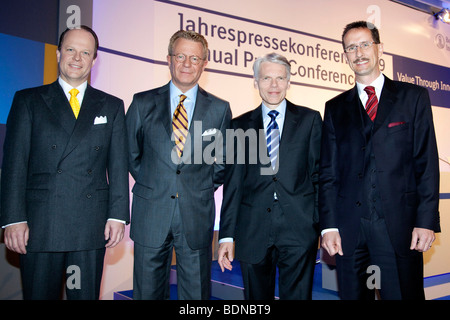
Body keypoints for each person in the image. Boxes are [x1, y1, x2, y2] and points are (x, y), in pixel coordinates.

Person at [0, 26, 130, 300]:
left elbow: (118, 166)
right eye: (70, 49)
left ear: (94, 60)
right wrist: (13, 219)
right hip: (39, 225)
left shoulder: (111, 105)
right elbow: (14, 164)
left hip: (89, 226)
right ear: (58, 53)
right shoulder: (28, 100)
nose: (77, 58)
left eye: (86, 52)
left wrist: (117, 215)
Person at [319, 21, 440, 300]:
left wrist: (426, 220)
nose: (359, 52)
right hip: (350, 231)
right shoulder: (334, 108)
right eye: (351, 47)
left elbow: (426, 163)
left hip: (399, 227)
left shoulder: (413, 97)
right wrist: (329, 226)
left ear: (379, 48)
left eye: (364, 44)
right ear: (345, 56)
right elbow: (328, 172)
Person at [126, 30, 232, 300]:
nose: (187, 64)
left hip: (195, 215)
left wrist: (196, 187)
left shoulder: (220, 109)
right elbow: (131, 155)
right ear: (169, 60)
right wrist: (157, 182)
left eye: (195, 58)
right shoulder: (142, 102)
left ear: (204, 64)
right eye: (181, 56)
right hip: (151, 213)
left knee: (196, 297)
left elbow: (222, 163)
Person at [218, 53, 322, 300]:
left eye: (280, 78)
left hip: (299, 228)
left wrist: (318, 223)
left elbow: (319, 176)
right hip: (252, 228)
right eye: (266, 78)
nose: (274, 85)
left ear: (289, 82)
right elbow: (233, 185)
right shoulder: (239, 126)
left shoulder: (310, 120)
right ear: (255, 81)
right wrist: (226, 235)